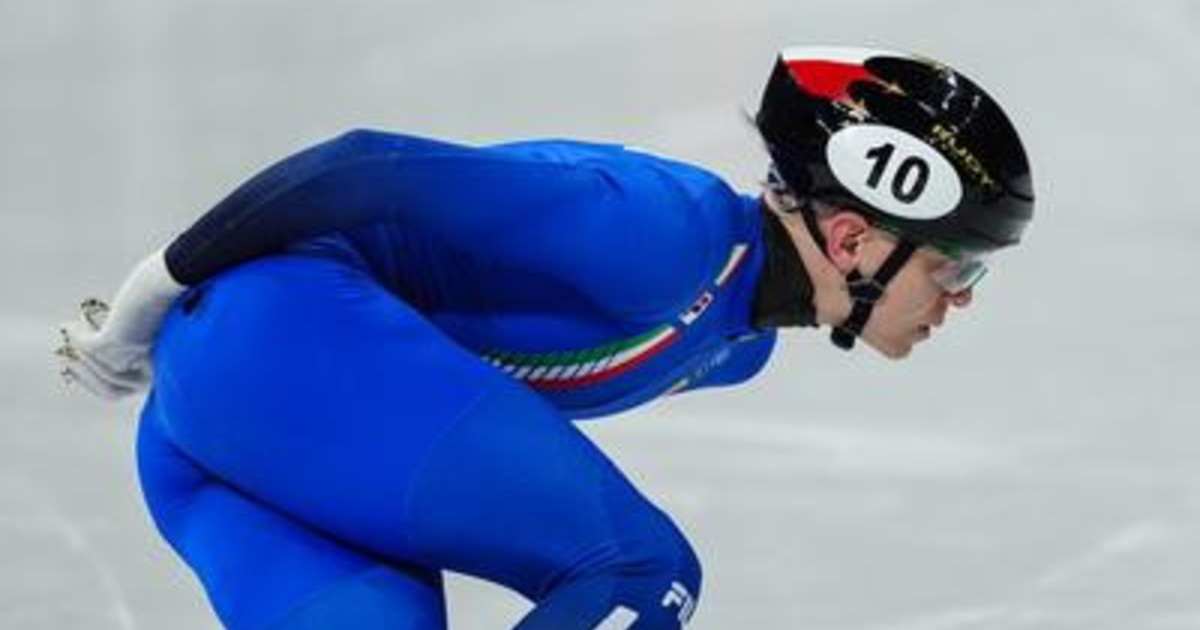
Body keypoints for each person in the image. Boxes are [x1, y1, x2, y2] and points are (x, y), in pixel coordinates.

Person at [55, 46, 1034, 630]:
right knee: (644, 574)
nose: (962, 298)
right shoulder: (662, 233)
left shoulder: (738, 341)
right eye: (959, 266)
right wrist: (150, 293)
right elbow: (365, 167)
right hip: (273, 336)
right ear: (856, 236)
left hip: (226, 447)